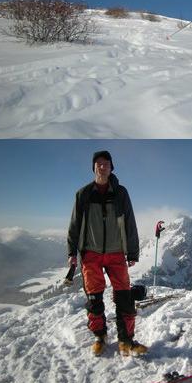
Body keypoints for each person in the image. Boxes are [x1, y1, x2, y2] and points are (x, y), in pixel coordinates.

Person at [67, 150, 147, 357]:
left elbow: (130, 222)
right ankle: (99, 337)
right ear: (93, 167)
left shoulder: (121, 193)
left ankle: (126, 340)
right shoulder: (83, 194)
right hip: (90, 253)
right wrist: (72, 252)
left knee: (125, 297)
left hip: (116, 253)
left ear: (112, 167)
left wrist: (132, 252)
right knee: (94, 299)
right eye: (98, 164)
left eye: (106, 164)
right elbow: (74, 226)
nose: (102, 167)